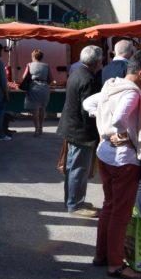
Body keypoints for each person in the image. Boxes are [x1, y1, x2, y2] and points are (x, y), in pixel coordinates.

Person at [84, 50, 141, 279]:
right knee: (120, 213)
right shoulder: (133, 93)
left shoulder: (111, 85)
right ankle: (116, 264)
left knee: (109, 206)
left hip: (105, 155)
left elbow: (89, 103)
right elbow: (119, 119)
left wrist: (104, 127)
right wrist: (120, 133)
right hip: (122, 159)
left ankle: (101, 255)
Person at [57, 45, 102, 218]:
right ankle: (75, 204)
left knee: (72, 167)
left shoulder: (76, 72)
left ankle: (72, 200)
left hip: (72, 127)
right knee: (78, 168)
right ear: (97, 61)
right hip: (80, 130)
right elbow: (87, 109)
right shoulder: (88, 78)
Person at [23, 49, 52, 137]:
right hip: (44, 88)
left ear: (33, 56)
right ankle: (41, 128)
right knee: (42, 109)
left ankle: (37, 129)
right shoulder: (46, 66)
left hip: (34, 87)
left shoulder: (29, 65)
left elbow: (24, 77)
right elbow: (50, 78)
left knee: (35, 110)